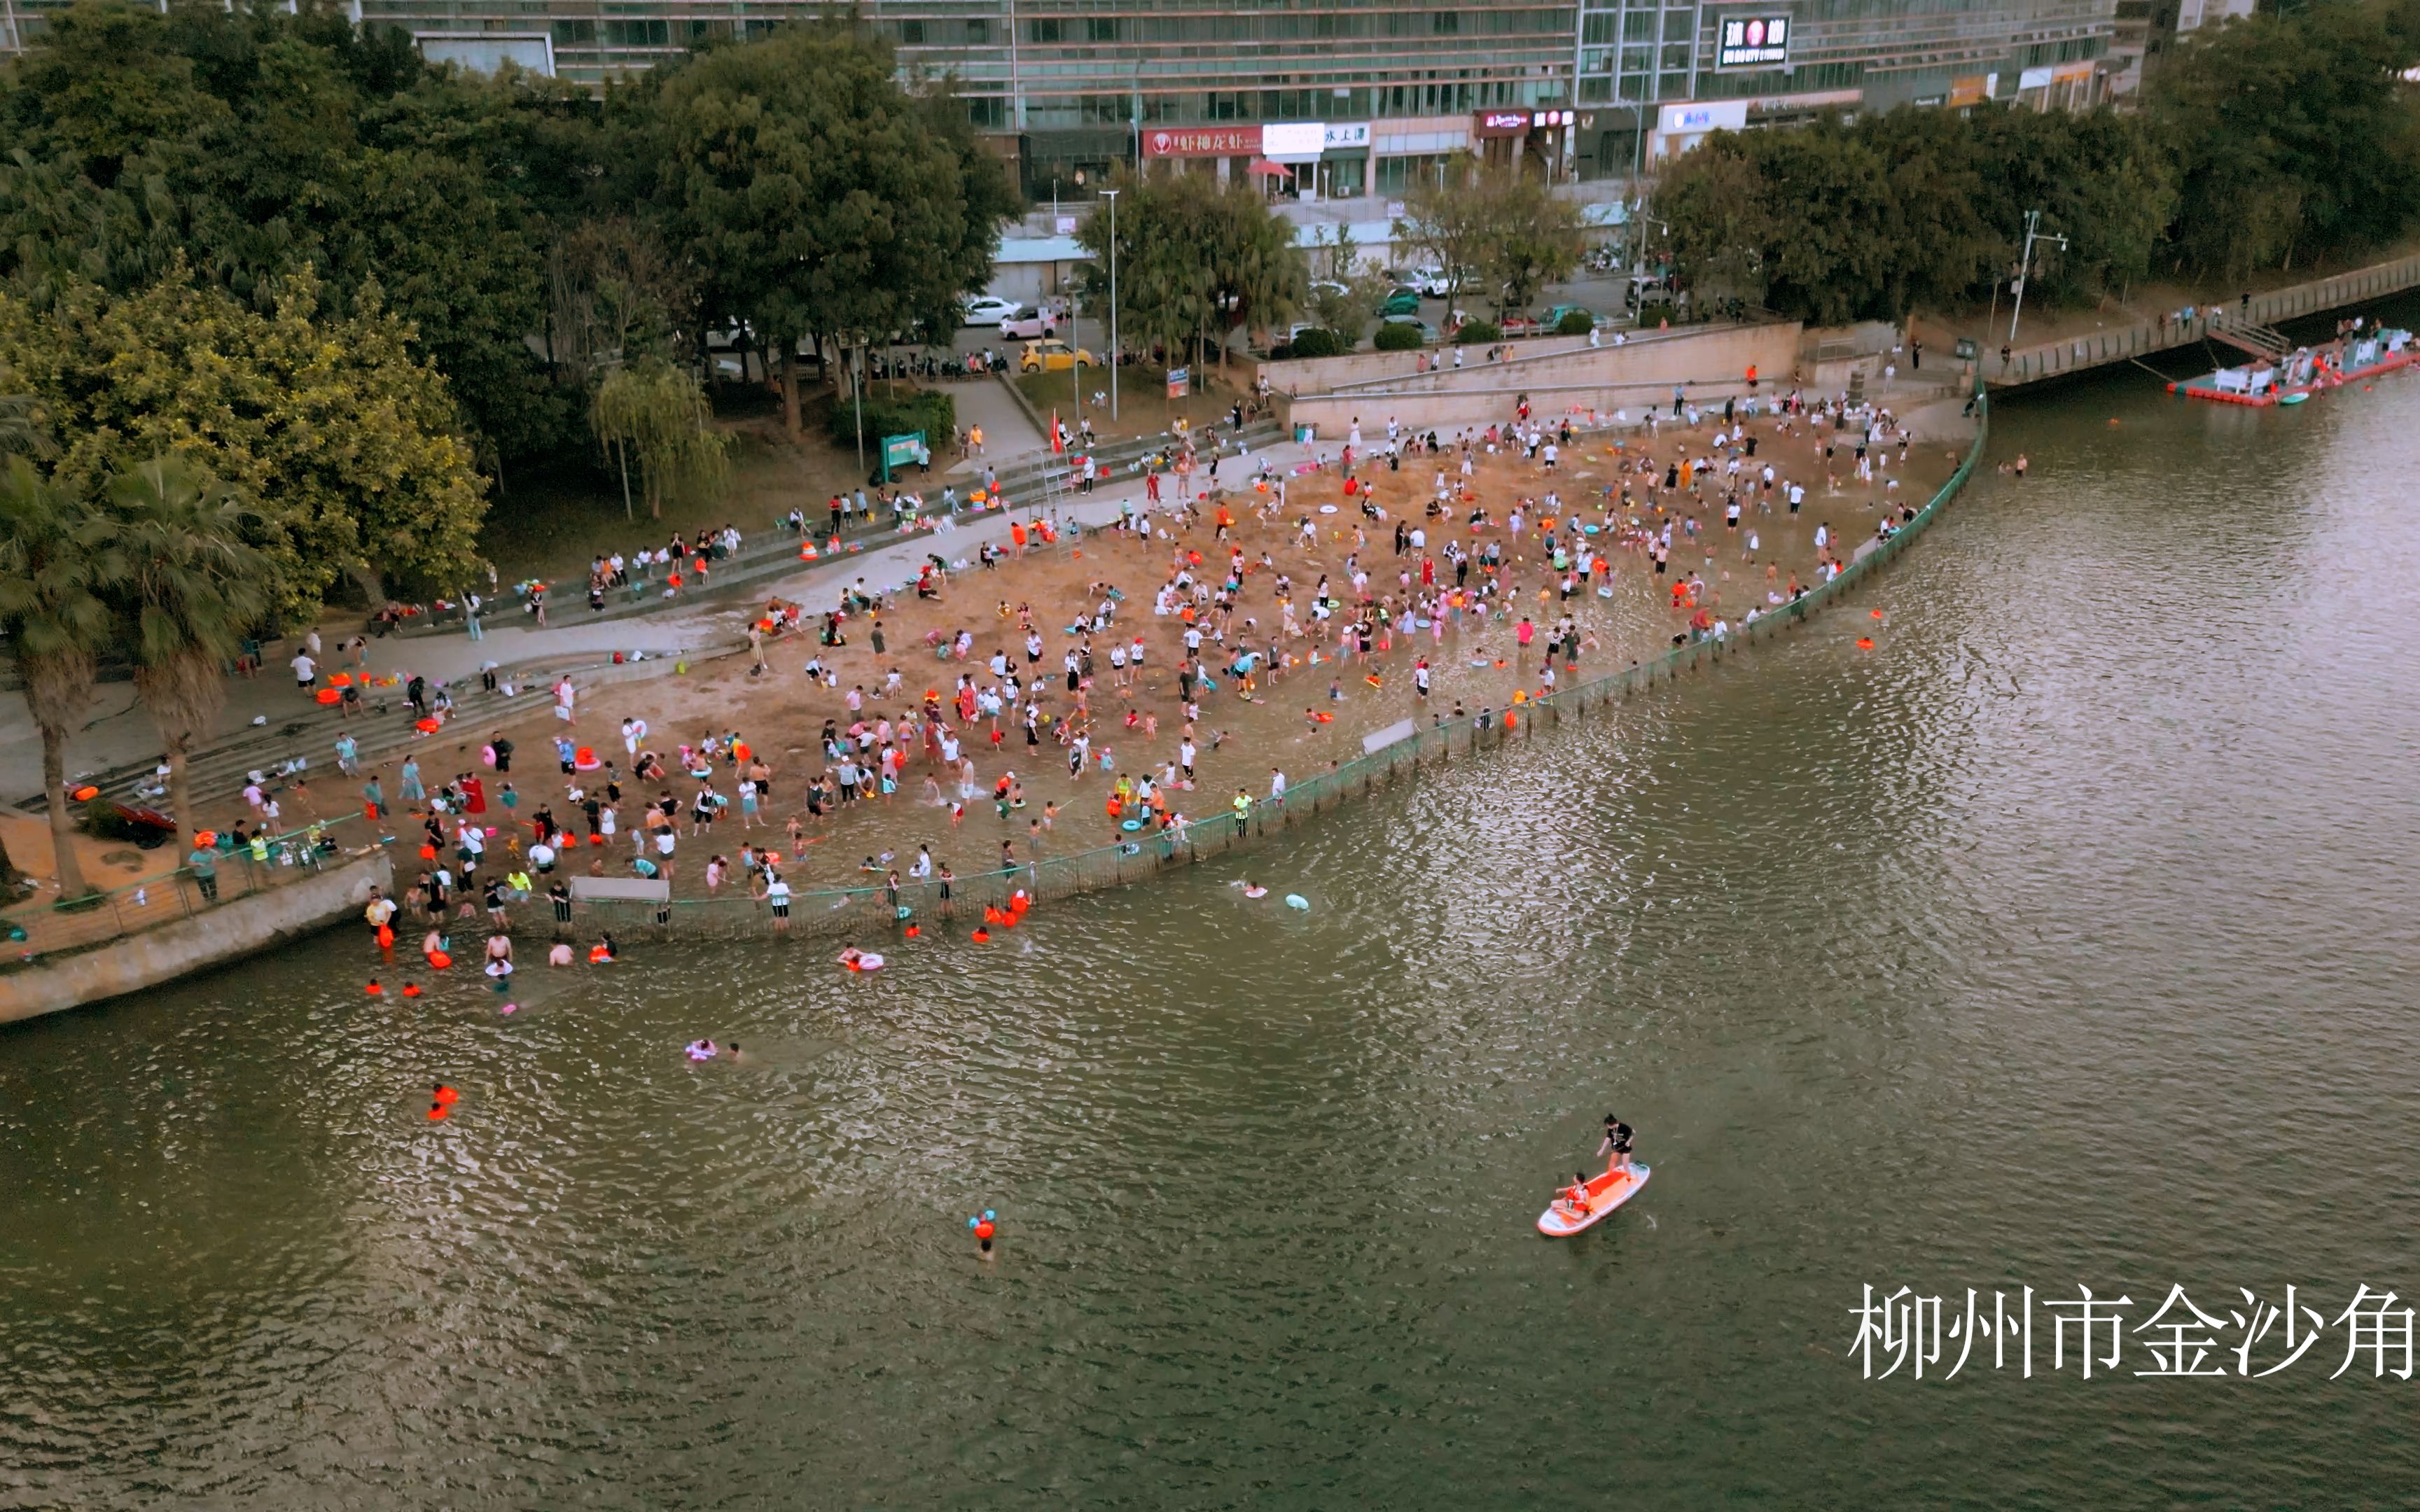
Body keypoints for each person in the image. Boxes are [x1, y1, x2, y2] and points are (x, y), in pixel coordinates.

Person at [1599, 1113, 1635, 1177]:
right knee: (1612, 1162)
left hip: (1625, 1148)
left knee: (1625, 1165)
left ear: (1612, 1124)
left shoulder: (1624, 1127)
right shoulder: (1611, 1129)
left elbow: (1633, 1133)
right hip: (1616, 1148)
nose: (1607, 1127)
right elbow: (1608, 1139)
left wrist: (1629, 1141)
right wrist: (1602, 1150)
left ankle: (1629, 1178)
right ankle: (1609, 1176)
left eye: (1607, 1125)